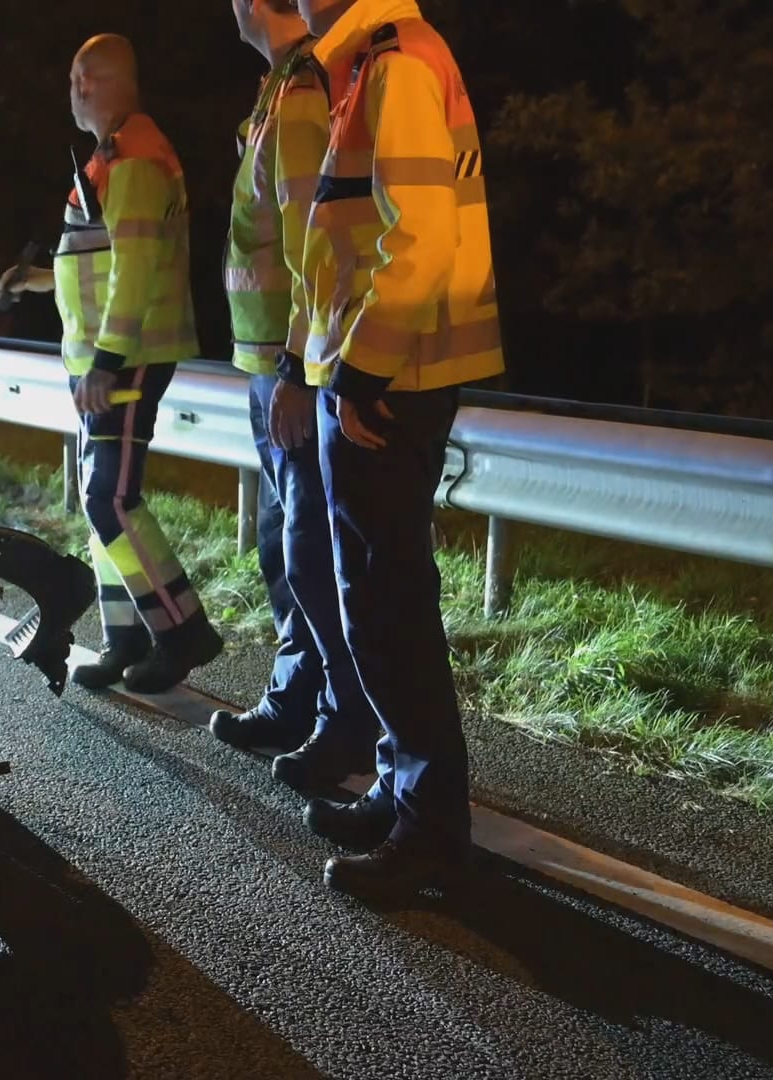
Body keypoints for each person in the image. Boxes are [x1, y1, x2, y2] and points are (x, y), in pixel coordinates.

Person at [289, 0, 505, 893]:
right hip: (387, 376)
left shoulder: (397, 64)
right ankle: (401, 784)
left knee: (386, 605)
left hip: (391, 382)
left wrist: (359, 375)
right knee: (376, 602)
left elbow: (415, 239)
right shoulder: (373, 65)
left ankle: (427, 833)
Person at [0, 34, 223, 695]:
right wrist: (38, 281)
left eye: (78, 78)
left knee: (110, 500)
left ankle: (182, 629)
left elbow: (137, 270)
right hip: (105, 360)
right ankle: (125, 637)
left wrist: (107, 362)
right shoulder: (110, 159)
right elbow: (99, 261)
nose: (72, 90)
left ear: (99, 82)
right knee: (104, 500)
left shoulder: (135, 159)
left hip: (124, 359)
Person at [209, 0, 380, 793]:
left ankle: (347, 720)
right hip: (271, 359)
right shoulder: (279, 86)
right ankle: (297, 698)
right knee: (286, 547)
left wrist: (286, 366)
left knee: (309, 551)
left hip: (294, 364)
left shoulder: (304, 89)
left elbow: (313, 238)